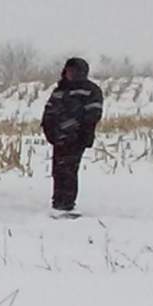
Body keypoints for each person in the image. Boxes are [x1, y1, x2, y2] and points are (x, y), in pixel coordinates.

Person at [40, 57, 104, 213]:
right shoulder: (60, 90)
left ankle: (67, 203)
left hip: (77, 138)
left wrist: (81, 132)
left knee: (69, 170)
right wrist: (49, 131)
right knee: (58, 171)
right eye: (68, 70)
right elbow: (49, 112)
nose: (70, 73)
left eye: (74, 71)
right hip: (59, 138)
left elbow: (93, 114)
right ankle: (57, 202)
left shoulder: (91, 90)